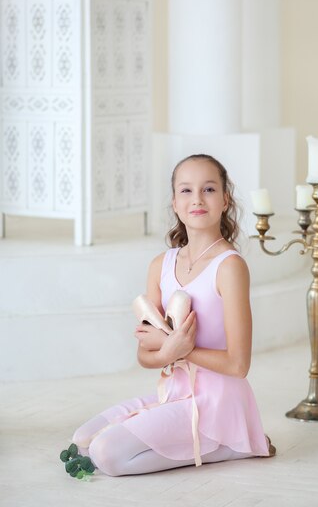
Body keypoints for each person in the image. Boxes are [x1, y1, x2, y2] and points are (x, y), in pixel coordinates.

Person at [71, 154, 275, 476]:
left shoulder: (230, 267)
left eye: (208, 189)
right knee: (83, 440)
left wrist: (183, 350)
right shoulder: (160, 266)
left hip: (218, 403)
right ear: (175, 202)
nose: (197, 199)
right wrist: (168, 350)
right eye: (186, 190)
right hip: (174, 394)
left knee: (106, 454)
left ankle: (230, 444)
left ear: (225, 200)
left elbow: (239, 365)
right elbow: (145, 355)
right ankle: (218, 441)